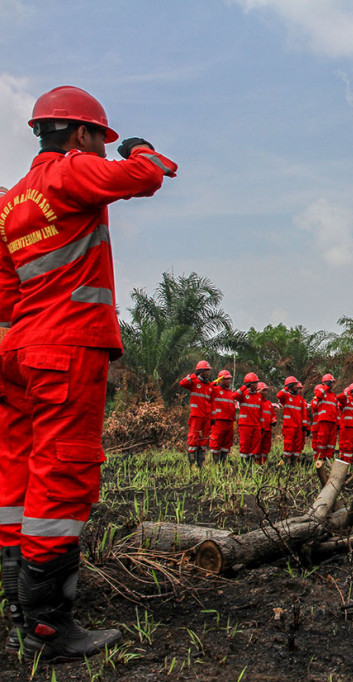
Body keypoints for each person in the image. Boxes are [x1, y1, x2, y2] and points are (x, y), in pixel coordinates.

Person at [0, 85, 176, 659]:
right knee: (62, 473)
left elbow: (4, 295)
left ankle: (13, 603)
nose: (103, 148)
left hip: (18, 352)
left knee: (15, 476)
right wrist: (143, 147)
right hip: (65, 348)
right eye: (101, 138)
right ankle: (48, 626)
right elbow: (147, 176)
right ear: (80, 135)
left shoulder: (10, 201)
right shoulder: (70, 173)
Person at [178, 360, 214, 468]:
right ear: (201, 371)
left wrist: (212, 417)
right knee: (193, 439)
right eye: (206, 370)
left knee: (203, 440)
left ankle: (200, 463)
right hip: (196, 416)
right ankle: (192, 464)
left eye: (208, 370)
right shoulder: (194, 383)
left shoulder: (209, 386)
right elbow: (182, 383)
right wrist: (194, 375)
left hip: (206, 417)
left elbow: (211, 402)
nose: (208, 373)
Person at [209, 370, 238, 464]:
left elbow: (233, 407)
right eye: (226, 379)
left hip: (229, 422)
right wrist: (215, 382)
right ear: (220, 380)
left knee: (227, 444)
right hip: (218, 421)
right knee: (216, 442)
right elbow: (207, 388)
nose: (229, 381)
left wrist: (234, 420)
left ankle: (223, 463)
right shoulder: (215, 390)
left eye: (229, 379)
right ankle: (216, 463)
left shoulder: (231, 393)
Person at [277, 377, 308, 465]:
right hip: (289, 426)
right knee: (288, 445)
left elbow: (304, 414)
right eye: (294, 385)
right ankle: (286, 462)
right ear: (290, 386)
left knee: (297, 446)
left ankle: (295, 463)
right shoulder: (286, 397)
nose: (296, 387)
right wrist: (287, 387)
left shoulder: (301, 399)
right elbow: (279, 396)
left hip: (299, 427)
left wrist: (305, 425)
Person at [310, 374, 340, 461]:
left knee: (332, 442)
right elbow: (317, 397)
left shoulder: (333, 396)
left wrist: (338, 423)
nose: (332, 384)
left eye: (332, 383)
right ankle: (321, 457)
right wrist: (326, 386)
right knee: (322, 440)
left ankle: (329, 458)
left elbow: (337, 410)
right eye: (331, 382)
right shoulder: (321, 394)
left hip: (333, 421)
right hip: (324, 420)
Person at [235, 373, 263, 464]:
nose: (257, 385)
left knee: (255, 445)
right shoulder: (243, 394)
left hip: (256, 425)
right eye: (255, 383)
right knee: (245, 445)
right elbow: (234, 396)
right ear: (250, 384)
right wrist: (244, 387)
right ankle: (244, 464)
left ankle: (251, 463)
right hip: (245, 425)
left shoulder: (259, 396)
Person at [256, 382, 275, 465]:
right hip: (259, 429)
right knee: (257, 447)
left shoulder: (268, 403)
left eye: (266, 391)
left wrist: (274, 420)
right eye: (264, 390)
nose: (265, 393)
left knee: (266, 447)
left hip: (268, 429)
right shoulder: (256, 402)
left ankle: (264, 462)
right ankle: (257, 463)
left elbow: (273, 414)